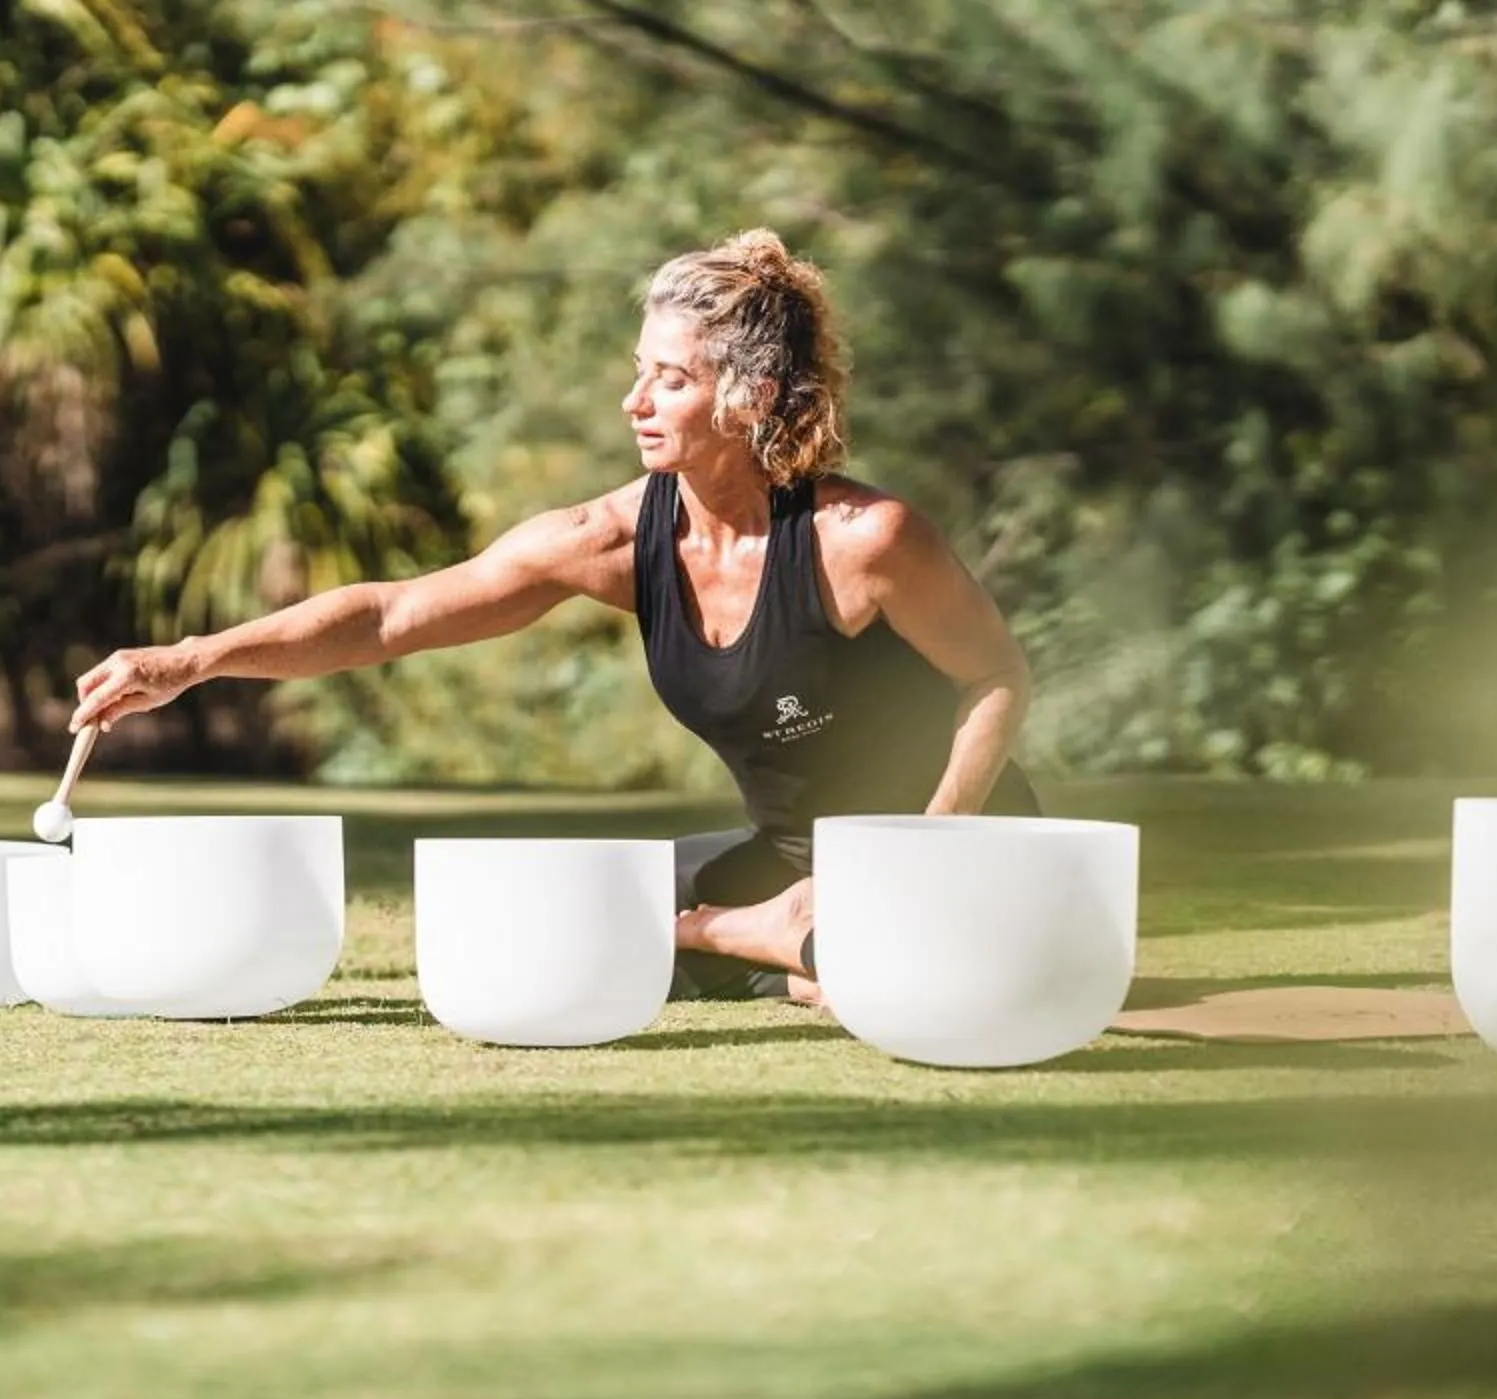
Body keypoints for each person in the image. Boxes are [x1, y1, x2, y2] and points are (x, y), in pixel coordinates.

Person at [71, 228, 1038, 1003]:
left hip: (946, 845)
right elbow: (393, 616)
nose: (635, 401)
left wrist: (921, 856)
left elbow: (996, 676)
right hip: (781, 858)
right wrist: (194, 658)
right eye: (639, 370)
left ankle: (780, 939)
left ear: (756, 397)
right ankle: (775, 941)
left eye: (673, 379)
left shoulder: (863, 541)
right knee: (534, 935)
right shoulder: (610, 540)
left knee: (869, 951)